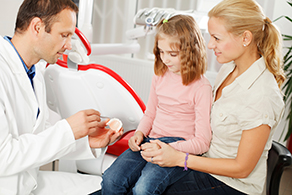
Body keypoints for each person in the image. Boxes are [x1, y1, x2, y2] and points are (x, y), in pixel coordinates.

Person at [140, 0, 286, 195]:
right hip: (204, 164)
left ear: (245, 38)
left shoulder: (262, 96)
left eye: (217, 38)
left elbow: (242, 168)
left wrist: (178, 158)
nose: (210, 45)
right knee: (127, 184)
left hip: (231, 184)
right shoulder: (228, 69)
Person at [0, 0, 123, 194]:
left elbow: (40, 133)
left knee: (102, 187)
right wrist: (69, 130)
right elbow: (3, 157)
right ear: (37, 27)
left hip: (26, 181)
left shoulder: (34, 71)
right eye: (64, 35)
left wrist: (86, 142)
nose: (68, 45)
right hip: (6, 185)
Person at [100, 15, 212, 195]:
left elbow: (202, 142)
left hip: (177, 147)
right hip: (150, 140)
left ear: (192, 51)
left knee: (144, 189)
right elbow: (150, 112)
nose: (165, 59)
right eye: (161, 52)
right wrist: (139, 133)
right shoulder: (159, 76)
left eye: (173, 54)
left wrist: (169, 149)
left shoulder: (201, 87)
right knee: (111, 180)